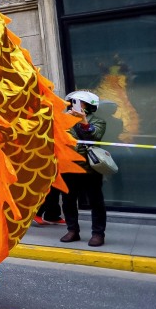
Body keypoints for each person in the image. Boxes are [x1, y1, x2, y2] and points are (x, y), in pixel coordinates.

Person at [55, 91, 109, 247]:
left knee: (96, 201)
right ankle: (72, 230)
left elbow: (94, 136)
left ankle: (98, 233)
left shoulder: (98, 121)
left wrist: (83, 121)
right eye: (73, 102)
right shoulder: (64, 120)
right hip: (68, 166)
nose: (75, 106)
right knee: (68, 200)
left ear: (90, 106)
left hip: (90, 168)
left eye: (80, 103)